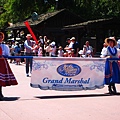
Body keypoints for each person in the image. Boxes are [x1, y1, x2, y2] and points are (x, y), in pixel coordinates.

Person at [0, 32, 18, 100]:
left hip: (2, 63)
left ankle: (0, 93)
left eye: (1, 37)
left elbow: (7, 55)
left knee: (1, 80)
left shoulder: (4, 46)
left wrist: (4, 56)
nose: (0, 39)